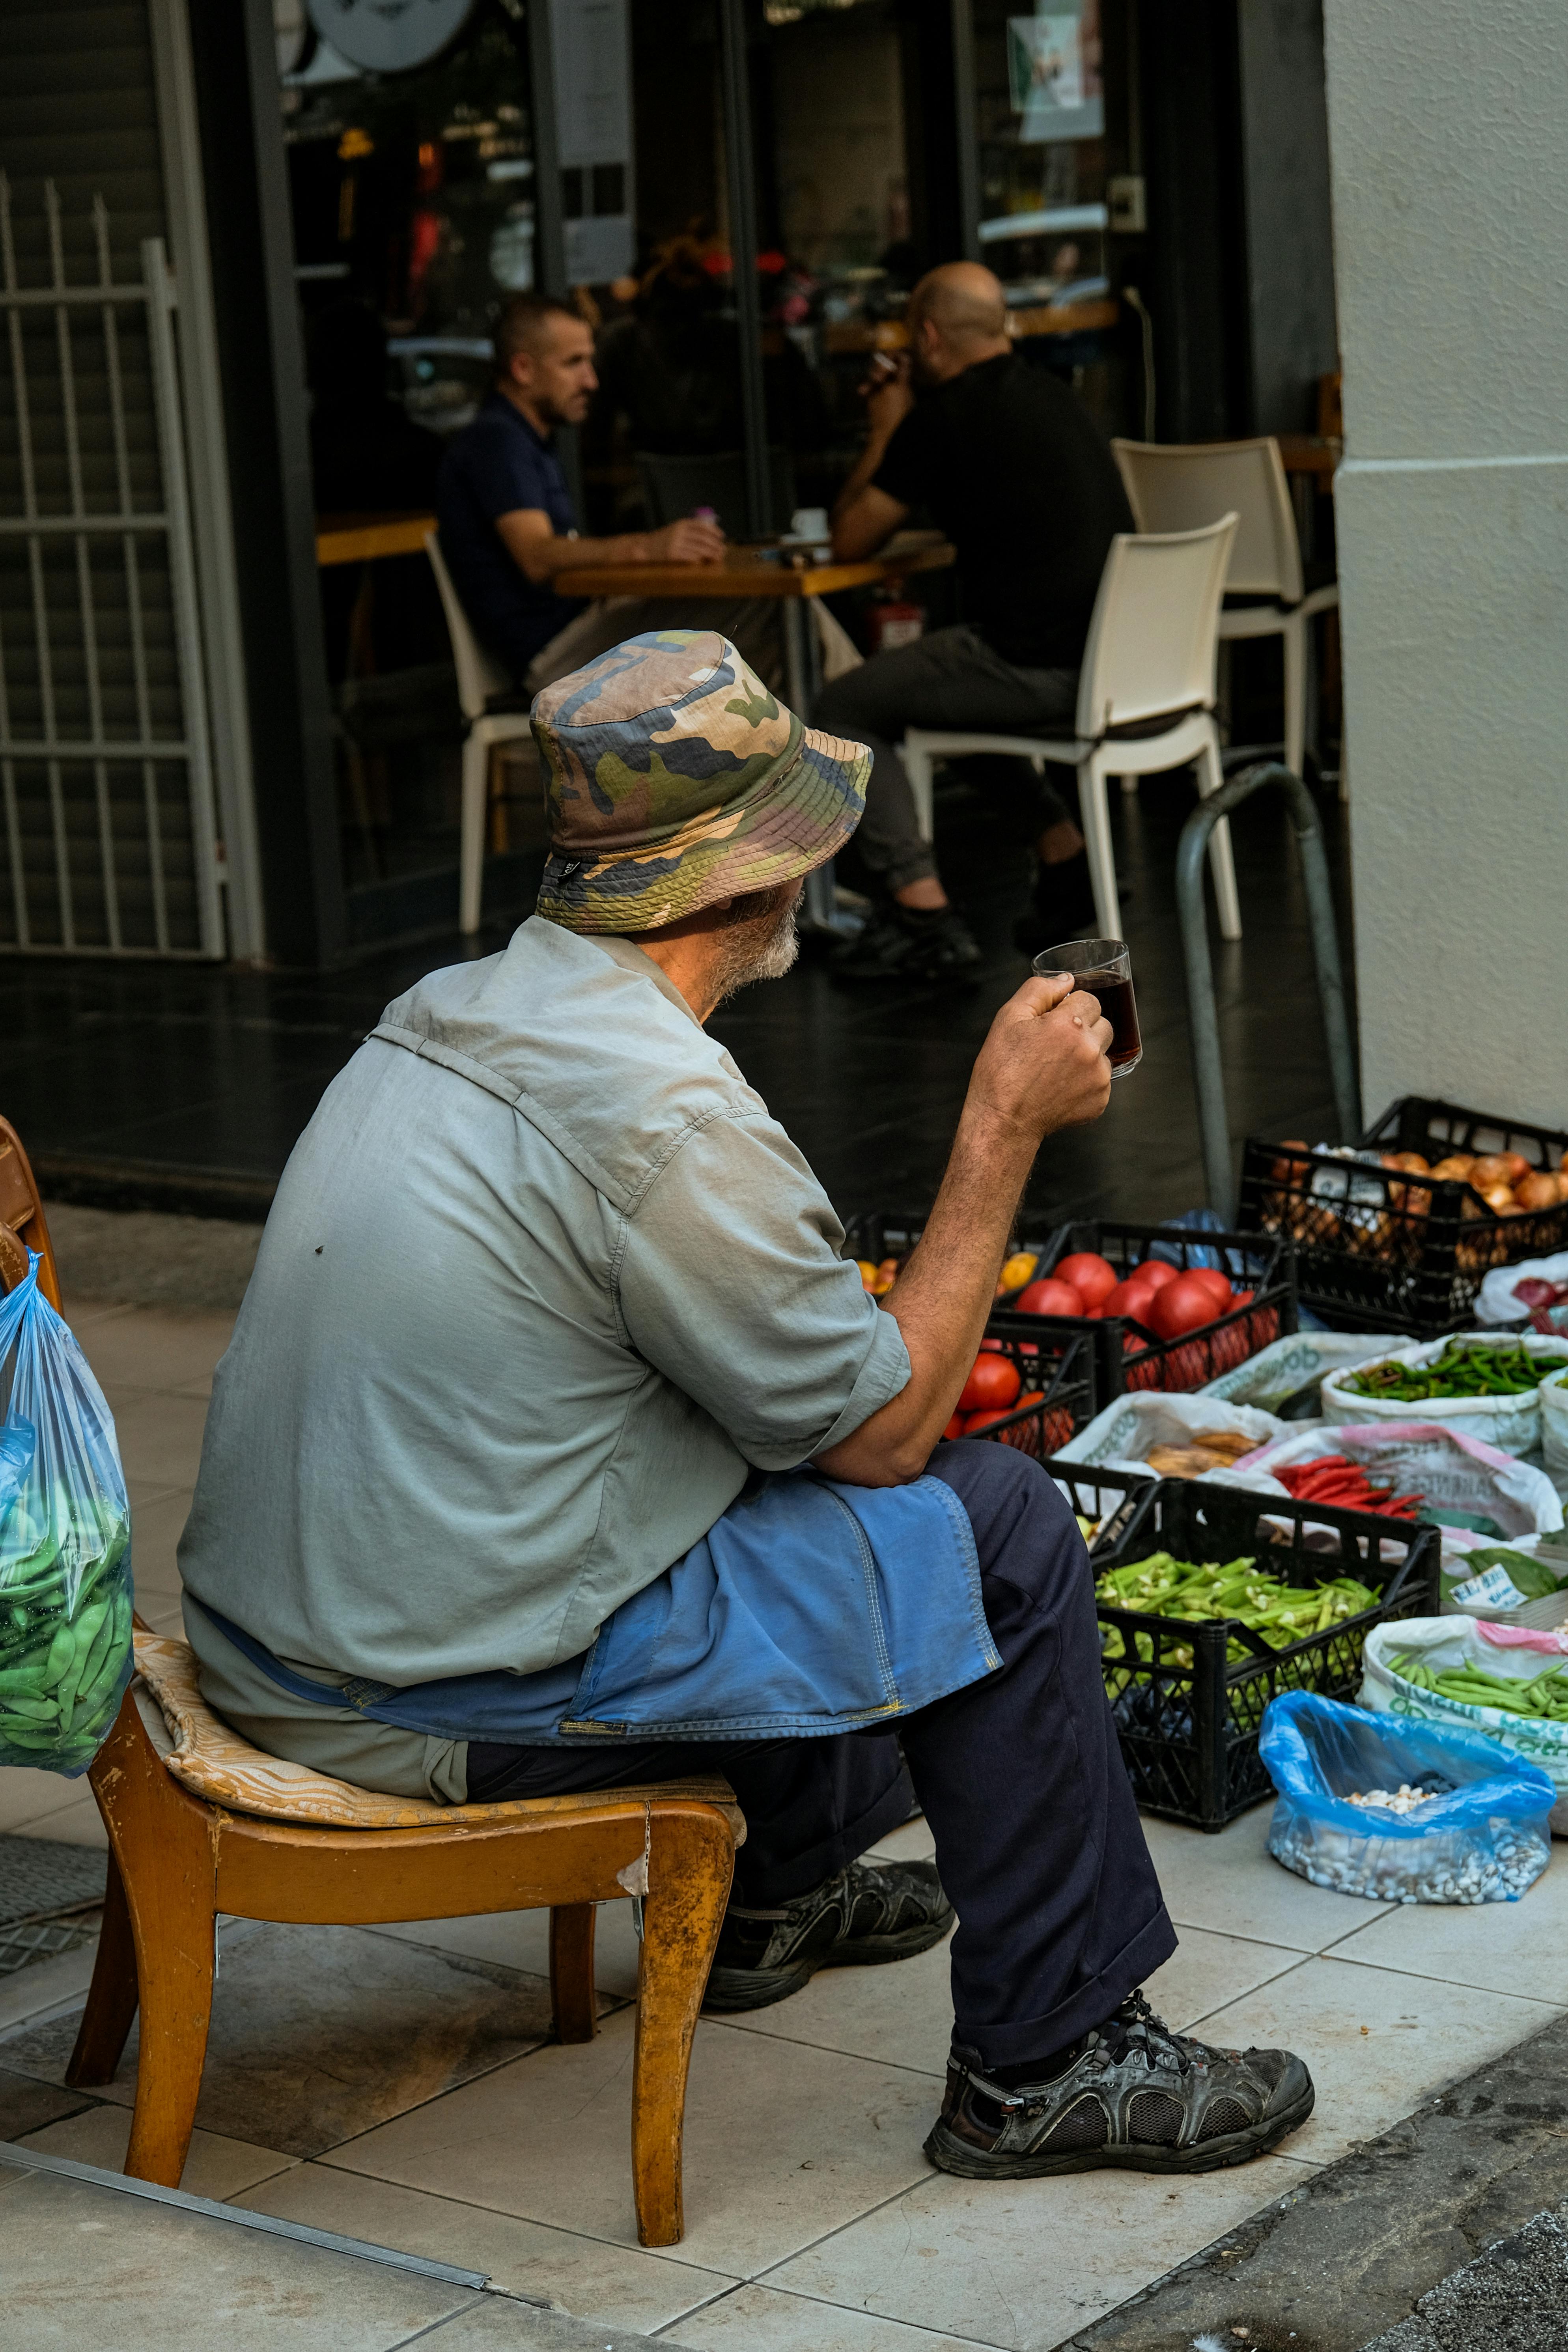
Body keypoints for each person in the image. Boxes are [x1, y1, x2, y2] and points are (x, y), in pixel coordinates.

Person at [177, 629, 1312, 2182]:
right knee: (986, 1527)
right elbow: (890, 1432)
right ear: (746, 876)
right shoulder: (661, 1111)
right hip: (405, 1693)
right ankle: (1051, 2056)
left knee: (763, 1478)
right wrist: (999, 1122)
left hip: (286, 1627)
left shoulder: (454, 1002)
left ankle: (770, 1897)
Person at [814, 261, 1135, 984]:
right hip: (1115, 664)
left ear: (927, 337)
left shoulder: (942, 417)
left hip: (1034, 667)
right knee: (932, 694)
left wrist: (885, 428)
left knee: (847, 705)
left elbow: (849, 541)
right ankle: (1062, 850)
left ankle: (921, 912)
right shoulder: (1059, 399)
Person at [436, 291, 838, 701]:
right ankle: (850, 736)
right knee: (771, 607)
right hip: (555, 657)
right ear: (522, 368)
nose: (591, 380)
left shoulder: (524, 440)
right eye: (573, 363)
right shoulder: (497, 441)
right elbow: (537, 556)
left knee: (787, 612)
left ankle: (831, 738)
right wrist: (648, 548)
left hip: (578, 634)